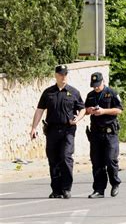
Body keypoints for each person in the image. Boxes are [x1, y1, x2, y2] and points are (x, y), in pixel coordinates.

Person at [30, 65, 85, 199]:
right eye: (61, 74)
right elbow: (39, 110)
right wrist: (33, 128)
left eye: (65, 74)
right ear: (56, 75)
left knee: (66, 157)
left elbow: (82, 109)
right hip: (52, 130)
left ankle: (66, 188)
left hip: (68, 130)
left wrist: (77, 119)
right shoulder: (48, 92)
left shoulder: (74, 92)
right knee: (53, 160)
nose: (63, 76)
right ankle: (56, 190)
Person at [85, 72, 123, 198]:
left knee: (111, 160)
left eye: (98, 85)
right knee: (97, 163)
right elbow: (84, 110)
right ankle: (99, 190)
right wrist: (89, 110)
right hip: (95, 133)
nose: (96, 88)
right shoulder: (90, 95)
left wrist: (103, 111)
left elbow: (119, 110)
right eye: (94, 85)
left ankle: (115, 183)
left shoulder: (111, 93)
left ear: (103, 81)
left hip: (110, 133)